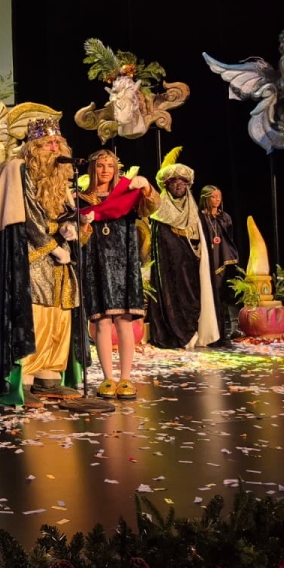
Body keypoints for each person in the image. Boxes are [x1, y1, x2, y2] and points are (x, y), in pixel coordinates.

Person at [0, 117, 85, 407]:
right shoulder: (19, 170)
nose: (54, 147)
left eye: (57, 142)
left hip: (58, 256)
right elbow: (24, 217)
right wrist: (52, 247)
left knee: (58, 313)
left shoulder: (60, 176)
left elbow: (61, 211)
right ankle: (23, 381)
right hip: (30, 256)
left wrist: (69, 227)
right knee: (33, 314)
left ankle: (48, 378)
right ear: (34, 147)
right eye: (48, 143)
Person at [78, 150, 158, 400]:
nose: (105, 170)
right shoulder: (81, 198)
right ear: (92, 169)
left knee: (124, 321)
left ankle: (125, 378)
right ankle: (107, 378)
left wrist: (146, 187)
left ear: (116, 169)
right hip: (96, 263)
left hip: (124, 262)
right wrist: (81, 222)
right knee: (101, 322)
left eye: (110, 166)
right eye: (100, 165)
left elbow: (152, 207)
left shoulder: (127, 195)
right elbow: (75, 233)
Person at [146, 148, 220, 350]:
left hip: (192, 265)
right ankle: (176, 333)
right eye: (174, 182)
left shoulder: (194, 211)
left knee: (194, 298)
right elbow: (161, 244)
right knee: (173, 297)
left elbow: (199, 237)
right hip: (170, 269)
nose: (179, 186)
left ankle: (194, 332)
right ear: (167, 185)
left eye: (183, 182)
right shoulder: (159, 211)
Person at [199, 185, 239, 346]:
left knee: (228, 293)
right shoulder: (200, 217)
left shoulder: (225, 218)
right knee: (211, 294)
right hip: (208, 258)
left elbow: (229, 239)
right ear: (206, 198)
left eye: (219, 197)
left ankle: (234, 327)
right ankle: (211, 331)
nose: (217, 200)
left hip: (225, 259)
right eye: (213, 197)